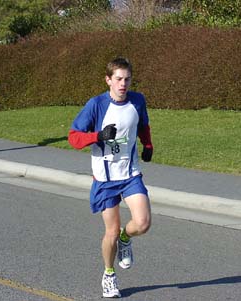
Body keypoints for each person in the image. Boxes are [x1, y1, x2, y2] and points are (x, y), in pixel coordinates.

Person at [68, 57, 153, 298]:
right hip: (105, 178)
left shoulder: (138, 100)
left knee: (143, 223)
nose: (123, 84)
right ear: (108, 80)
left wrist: (147, 144)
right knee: (111, 232)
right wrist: (97, 136)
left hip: (129, 173)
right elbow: (74, 137)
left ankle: (128, 237)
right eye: (118, 79)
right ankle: (108, 274)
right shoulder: (96, 105)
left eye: (127, 79)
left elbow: (143, 125)